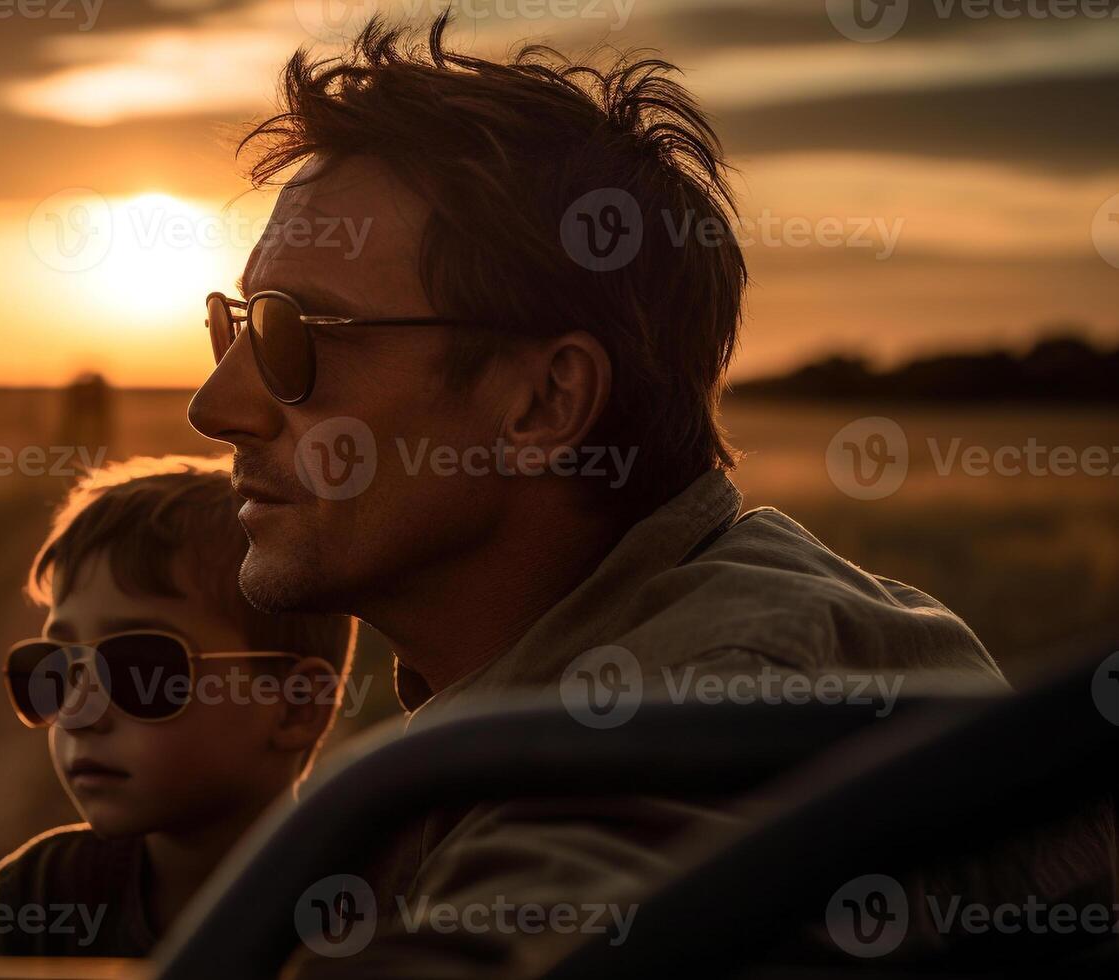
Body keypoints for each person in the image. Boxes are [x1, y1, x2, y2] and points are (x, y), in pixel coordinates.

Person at [186, 16, 1108, 977]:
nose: (218, 407)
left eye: (294, 337)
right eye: (234, 326)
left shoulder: (729, 691)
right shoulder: (569, 676)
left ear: (544, 403)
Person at [0, 456, 354, 963]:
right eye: (55, 668)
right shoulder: (41, 894)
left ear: (295, 706)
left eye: (139, 670)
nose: (78, 711)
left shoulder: (364, 917)